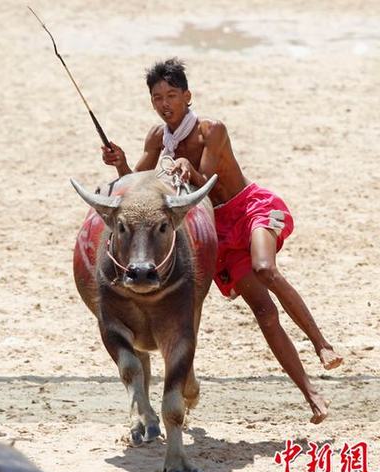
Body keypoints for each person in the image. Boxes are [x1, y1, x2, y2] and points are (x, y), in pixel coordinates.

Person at [100, 58, 343, 424]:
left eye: (171, 95)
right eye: (157, 97)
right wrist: (119, 165)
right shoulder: (157, 138)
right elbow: (141, 192)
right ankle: (311, 392)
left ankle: (321, 344)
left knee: (265, 269)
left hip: (246, 210)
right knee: (263, 312)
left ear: (187, 96)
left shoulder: (211, 131)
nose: (165, 103)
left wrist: (187, 168)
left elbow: (207, 183)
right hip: (219, 232)